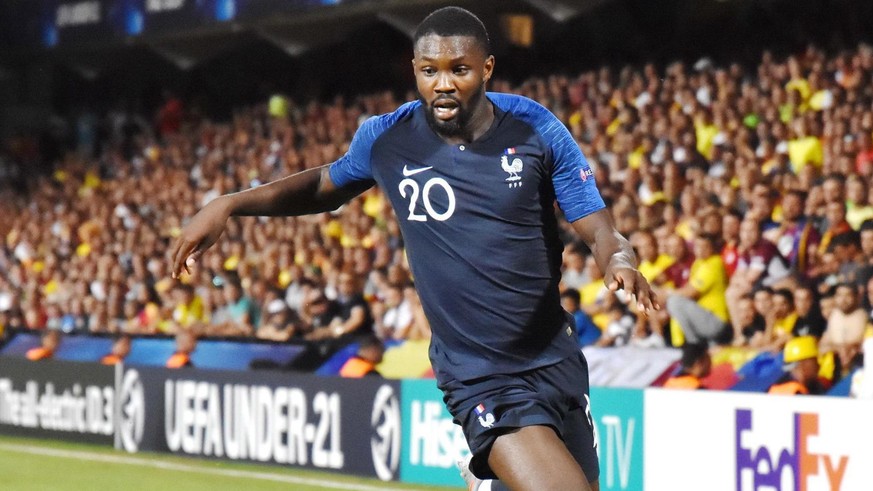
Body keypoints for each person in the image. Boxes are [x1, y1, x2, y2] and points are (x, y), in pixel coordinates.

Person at [169, 7, 657, 490]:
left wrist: (618, 258)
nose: (443, 83)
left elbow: (598, 228)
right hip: (480, 374)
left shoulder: (536, 129)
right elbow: (323, 184)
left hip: (556, 360)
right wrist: (230, 204)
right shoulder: (388, 138)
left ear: (486, 69)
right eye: (430, 71)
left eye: (459, 70)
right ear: (415, 72)